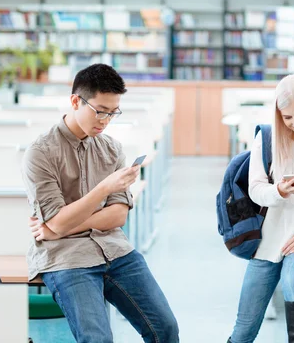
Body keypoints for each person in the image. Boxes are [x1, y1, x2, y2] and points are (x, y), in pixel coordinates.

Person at [21, 64, 179, 343]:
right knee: (97, 340)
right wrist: (103, 189)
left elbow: (117, 216)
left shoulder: (111, 149)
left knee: (165, 329)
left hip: (115, 250)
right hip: (66, 258)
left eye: (112, 112)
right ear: (75, 101)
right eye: (100, 110)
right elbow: (57, 219)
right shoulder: (40, 153)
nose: (106, 120)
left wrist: (58, 226)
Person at [228, 74, 294, 343]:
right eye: (287, 117)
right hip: (269, 241)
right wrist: (279, 191)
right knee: (245, 326)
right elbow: (256, 191)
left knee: (292, 284)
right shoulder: (268, 139)